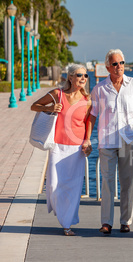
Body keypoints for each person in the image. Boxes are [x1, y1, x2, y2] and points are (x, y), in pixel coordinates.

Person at [83, 49, 133, 234]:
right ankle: (106, 222)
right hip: (107, 141)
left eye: (121, 63)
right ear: (107, 67)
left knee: (127, 182)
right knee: (107, 182)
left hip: (128, 139)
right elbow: (92, 116)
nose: (119, 66)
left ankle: (126, 221)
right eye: (115, 64)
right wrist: (87, 138)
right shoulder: (99, 89)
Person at [31, 64, 92, 236]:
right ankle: (62, 212)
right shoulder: (58, 95)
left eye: (86, 76)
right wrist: (49, 108)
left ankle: (67, 224)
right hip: (58, 146)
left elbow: (88, 122)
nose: (83, 78)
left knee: (73, 187)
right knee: (53, 185)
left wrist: (87, 141)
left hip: (76, 149)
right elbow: (34, 106)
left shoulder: (87, 100)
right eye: (80, 75)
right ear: (70, 77)